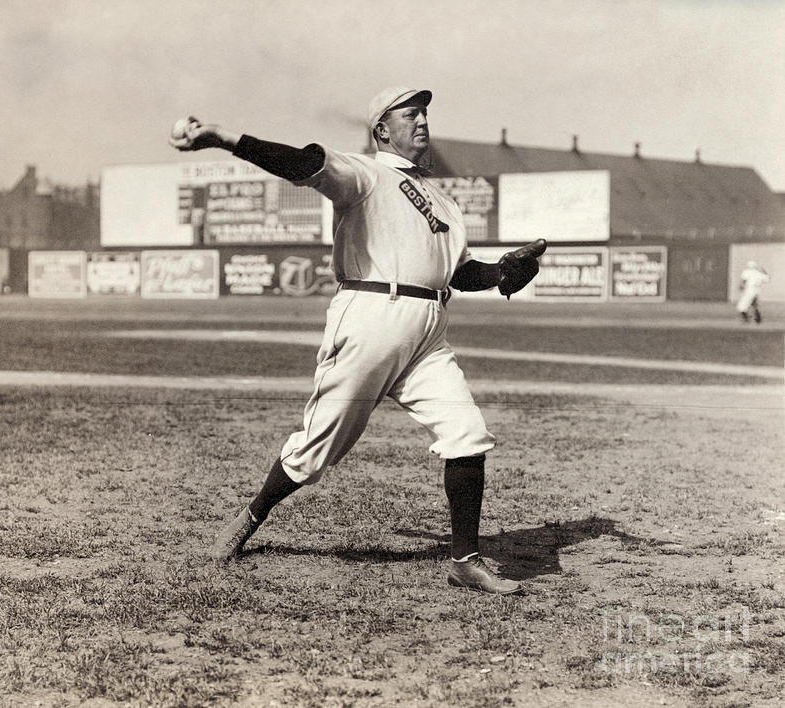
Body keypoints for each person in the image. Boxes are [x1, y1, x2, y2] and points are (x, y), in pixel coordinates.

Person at [169, 87, 545, 594]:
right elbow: (300, 162)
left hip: (429, 328)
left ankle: (465, 560)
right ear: (382, 130)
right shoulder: (365, 175)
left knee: (468, 434)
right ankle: (251, 516)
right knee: (315, 451)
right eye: (409, 114)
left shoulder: (446, 204)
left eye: (425, 113)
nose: (422, 121)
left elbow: (459, 273)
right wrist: (222, 138)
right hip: (371, 315)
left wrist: (503, 273)